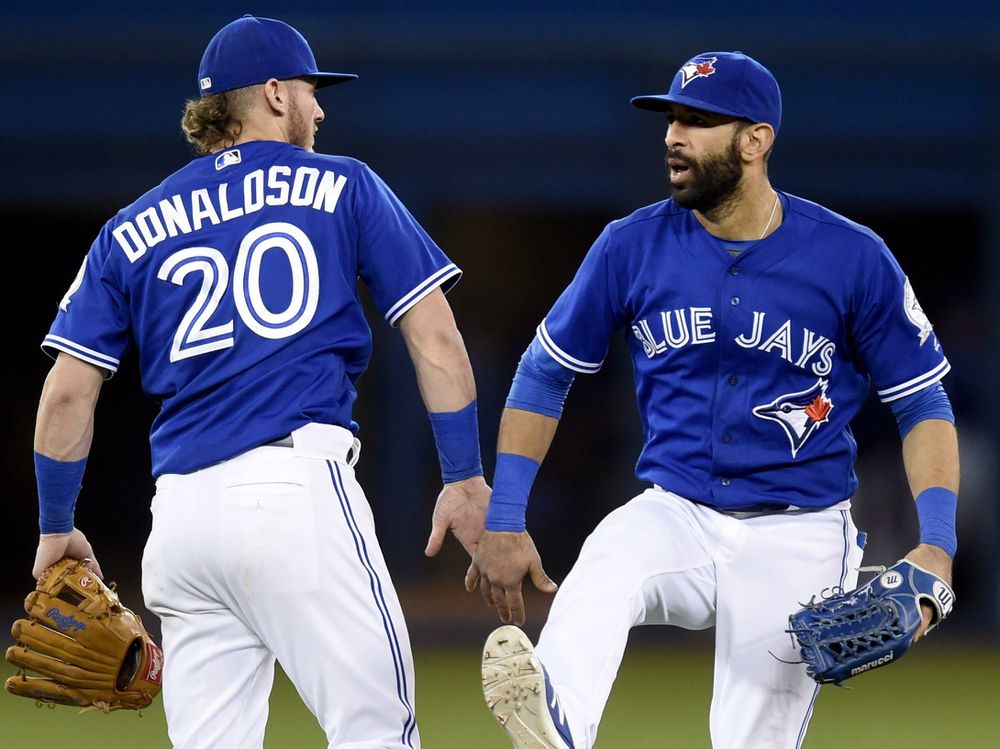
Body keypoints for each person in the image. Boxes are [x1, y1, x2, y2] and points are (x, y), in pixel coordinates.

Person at [468, 51, 959, 749]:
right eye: (671, 118)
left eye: (698, 121)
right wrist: (507, 514)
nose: (673, 135)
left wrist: (936, 547)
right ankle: (559, 725)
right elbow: (543, 373)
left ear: (756, 140)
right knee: (609, 556)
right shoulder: (630, 247)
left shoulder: (851, 257)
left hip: (801, 528)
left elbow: (922, 403)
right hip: (680, 511)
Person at [31, 15, 490, 749]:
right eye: (310, 90)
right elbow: (435, 335)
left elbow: (65, 392)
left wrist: (57, 525)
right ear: (274, 93)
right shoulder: (344, 184)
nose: (320, 107)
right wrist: (464, 475)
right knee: (378, 730)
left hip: (180, 522)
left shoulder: (130, 226)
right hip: (292, 494)